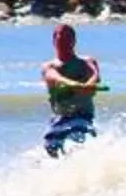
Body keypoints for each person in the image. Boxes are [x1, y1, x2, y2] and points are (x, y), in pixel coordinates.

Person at [41, 23, 105, 156]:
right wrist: (73, 84)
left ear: (74, 41)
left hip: (82, 116)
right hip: (60, 118)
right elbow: (53, 76)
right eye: (60, 37)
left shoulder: (87, 61)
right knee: (51, 150)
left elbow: (95, 74)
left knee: (76, 143)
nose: (64, 41)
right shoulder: (49, 66)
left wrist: (89, 84)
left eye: (68, 38)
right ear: (54, 41)